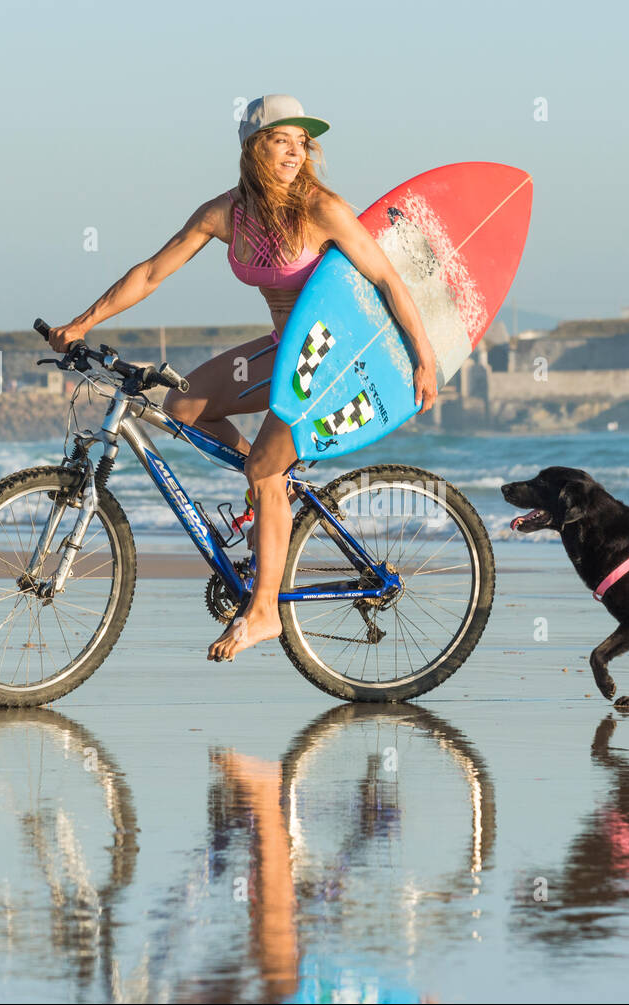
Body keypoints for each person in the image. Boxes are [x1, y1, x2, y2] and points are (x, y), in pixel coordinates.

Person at [47, 95, 437, 662]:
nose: (295, 152)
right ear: (255, 146)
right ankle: (269, 488)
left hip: (333, 357)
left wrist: (423, 357)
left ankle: (264, 613)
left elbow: (387, 281)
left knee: (263, 466)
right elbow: (153, 272)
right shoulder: (226, 213)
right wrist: (82, 323)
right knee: (184, 407)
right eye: (283, 140)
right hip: (285, 350)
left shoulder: (322, 209)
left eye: (302, 143)